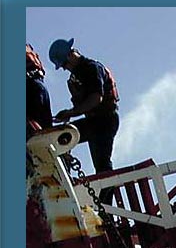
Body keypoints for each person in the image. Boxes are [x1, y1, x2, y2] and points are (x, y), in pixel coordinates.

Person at [48, 38, 120, 204]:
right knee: (63, 137)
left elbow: (96, 98)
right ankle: (63, 180)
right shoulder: (77, 76)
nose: (65, 68)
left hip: (105, 121)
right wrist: (69, 114)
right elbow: (85, 104)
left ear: (71, 55)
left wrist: (72, 112)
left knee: (102, 165)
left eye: (64, 64)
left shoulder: (91, 68)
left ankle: (106, 207)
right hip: (95, 122)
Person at [26, 43, 53, 139]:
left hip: (30, 86)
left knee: (32, 127)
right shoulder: (29, 50)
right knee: (45, 125)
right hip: (38, 84)